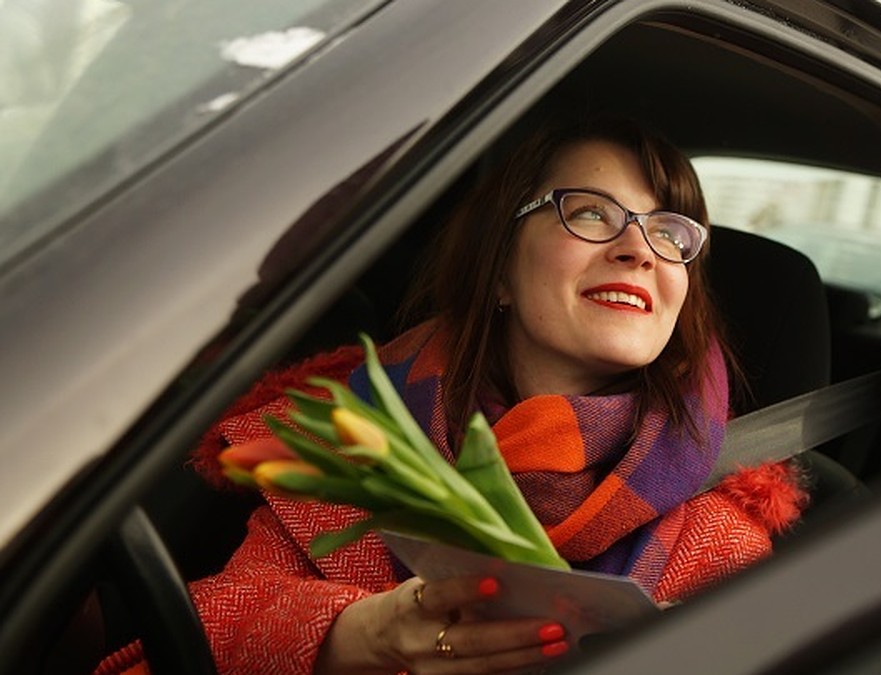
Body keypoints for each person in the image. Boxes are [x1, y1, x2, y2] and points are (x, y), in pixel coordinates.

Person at [96, 116, 809, 674]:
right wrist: (365, 632)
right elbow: (190, 638)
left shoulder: (719, 538)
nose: (639, 248)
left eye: (670, 231)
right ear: (498, 268)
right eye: (591, 213)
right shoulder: (354, 444)